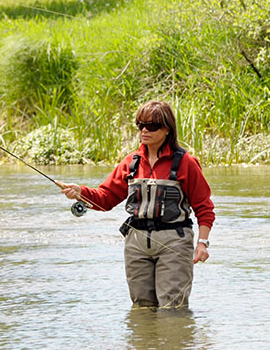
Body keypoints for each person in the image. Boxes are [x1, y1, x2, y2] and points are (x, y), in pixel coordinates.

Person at [57, 101, 215, 308]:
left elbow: (204, 208)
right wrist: (81, 193)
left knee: (172, 308)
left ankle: (177, 340)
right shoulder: (131, 162)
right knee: (142, 308)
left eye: (152, 126)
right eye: (140, 125)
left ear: (167, 129)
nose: (144, 131)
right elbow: (105, 199)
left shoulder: (186, 163)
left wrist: (202, 244)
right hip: (136, 244)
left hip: (174, 242)